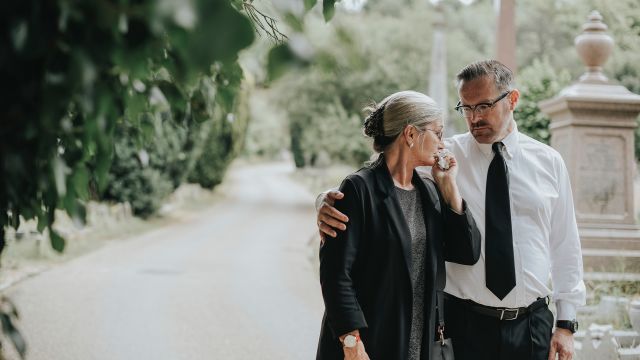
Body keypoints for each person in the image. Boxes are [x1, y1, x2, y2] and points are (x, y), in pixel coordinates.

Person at [316, 60, 585, 360]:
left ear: (512, 99)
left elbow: (565, 246)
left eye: (483, 106)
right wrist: (326, 201)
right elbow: (377, 180)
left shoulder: (548, 162)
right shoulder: (442, 158)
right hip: (463, 326)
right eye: (466, 108)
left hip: (532, 327)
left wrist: (566, 323)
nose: (474, 117)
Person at [316, 90, 481, 360]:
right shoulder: (359, 190)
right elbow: (336, 276)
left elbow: (467, 252)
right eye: (437, 133)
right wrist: (351, 342)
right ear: (411, 134)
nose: (443, 144)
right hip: (368, 344)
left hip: (420, 345)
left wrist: (450, 188)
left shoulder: (429, 191)